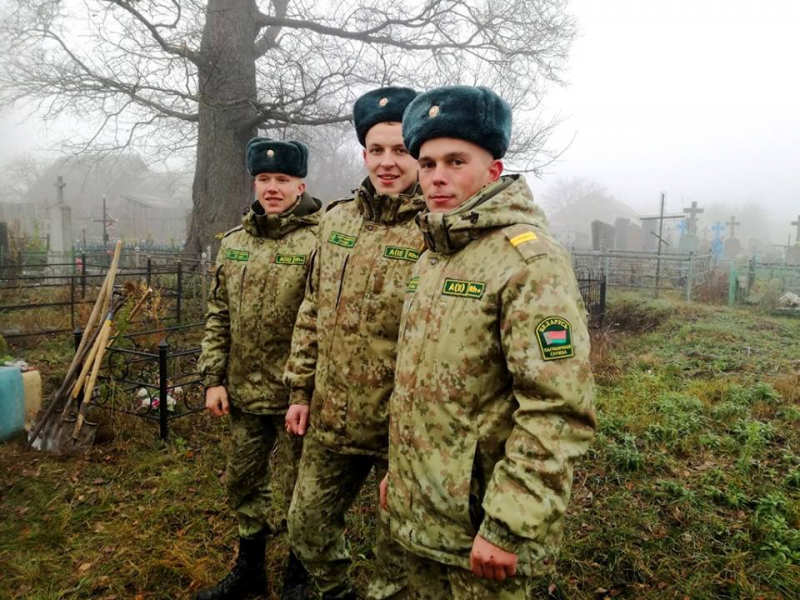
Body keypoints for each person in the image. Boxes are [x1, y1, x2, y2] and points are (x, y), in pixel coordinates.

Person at [380, 85, 597, 599]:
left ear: (492, 171)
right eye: (427, 162)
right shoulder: (434, 253)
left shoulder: (528, 263)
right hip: (426, 512)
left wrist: (507, 523)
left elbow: (557, 410)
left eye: (456, 161)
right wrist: (402, 475)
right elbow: (418, 386)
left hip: (484, 526)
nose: (436, 176)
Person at [282, 86, 424, 600]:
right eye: (376, 150)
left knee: (401, 557)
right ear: (363, 154)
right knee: (306, 526)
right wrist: (300, 390)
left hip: (403, 427)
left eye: (401, 150)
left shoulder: (441, 227)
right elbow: (313, 308)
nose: (388, 163)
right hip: (332, 414)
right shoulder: (337, 220)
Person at [197, 137, 322, 600]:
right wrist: (213, 378)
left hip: (296, 397)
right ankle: (249, 569)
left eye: (282, 179)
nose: (272, 188)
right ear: (255, 183)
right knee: (243, 481)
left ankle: (298, 577)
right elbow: (218, 315)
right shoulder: (234, 243)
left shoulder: (321, 241)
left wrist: (305, 391)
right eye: (264, 179)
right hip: (245, 392)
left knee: (298, 492)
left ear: (299, 184)